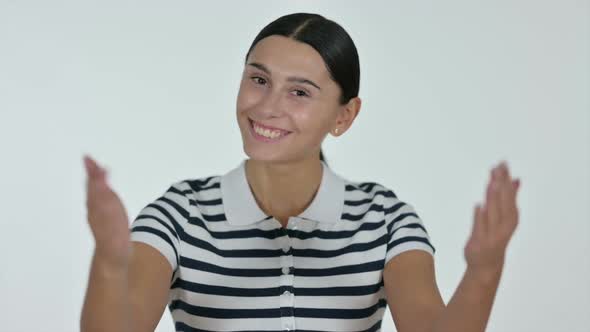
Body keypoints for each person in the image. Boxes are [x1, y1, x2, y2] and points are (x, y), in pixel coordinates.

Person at [81, 12, 521, 332]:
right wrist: (108, 261)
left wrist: (484, 270)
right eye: (258, 80)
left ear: (344, 116)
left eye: (299, 92)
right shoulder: (179, 214)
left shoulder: (385, 218)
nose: (267, 106)